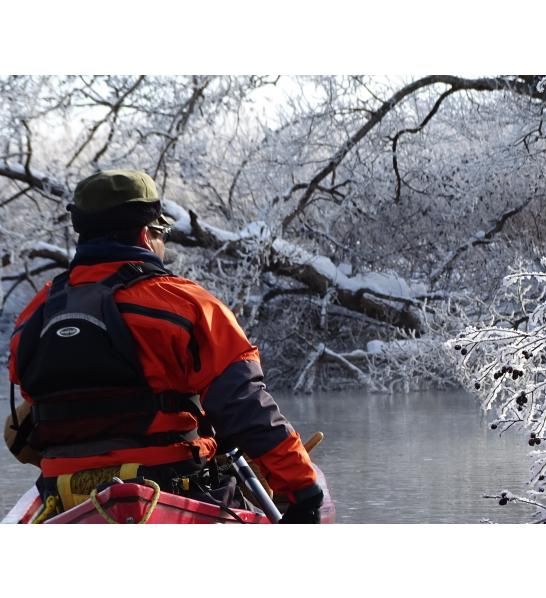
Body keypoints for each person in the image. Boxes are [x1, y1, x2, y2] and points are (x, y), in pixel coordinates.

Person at [5, 169, 323, 523]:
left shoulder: (35, 314)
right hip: (173, 490)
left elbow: (33, 415)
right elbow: (246, 407)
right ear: (145, 233)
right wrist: (304, 490)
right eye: (160, 233)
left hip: (63, 491)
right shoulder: (188, 305)